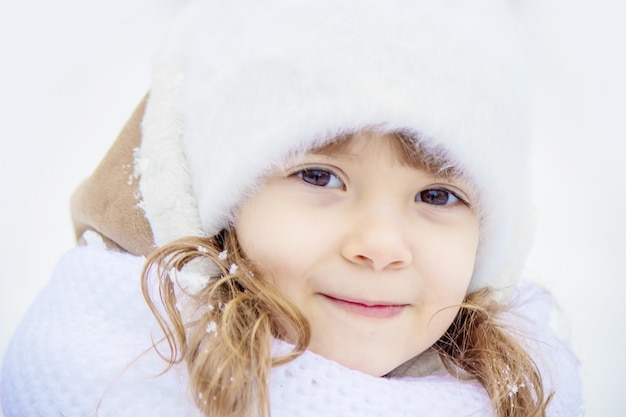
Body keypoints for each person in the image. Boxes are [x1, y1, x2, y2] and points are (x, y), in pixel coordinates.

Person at [1, 1, 582, 416]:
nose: (380, 246)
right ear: (215, 203)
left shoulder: (530, 394)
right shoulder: (105, 378)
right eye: (319, 176)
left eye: (437, 196)